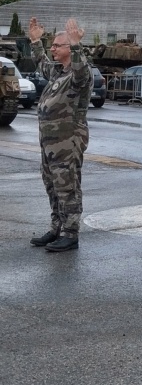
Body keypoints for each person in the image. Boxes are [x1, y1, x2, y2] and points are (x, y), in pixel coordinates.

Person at [28, 16, 93, 253]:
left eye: (57, 45)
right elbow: (42, 64)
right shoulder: (59, 73)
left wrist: (76, 46)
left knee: (67, 186)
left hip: (68, 140)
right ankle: (57, 227)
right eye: (52, 45)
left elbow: (81, 70)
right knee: (52, 184)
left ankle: (70, 233)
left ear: (70, 49)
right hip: (50, 142)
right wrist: (36, 42)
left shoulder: (78, 77)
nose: (52, 48)